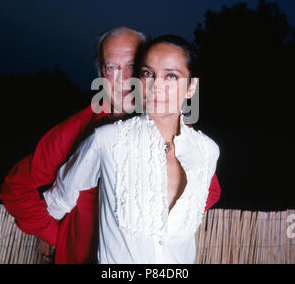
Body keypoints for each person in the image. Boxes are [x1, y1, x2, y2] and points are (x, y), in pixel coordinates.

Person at [43, 35, 220, 264]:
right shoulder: (107, 141)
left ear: (191, 88)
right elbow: (59, 199)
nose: (156, 86)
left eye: (171, 76)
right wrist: (51, 239)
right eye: (148, 74)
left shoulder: (206, 151)